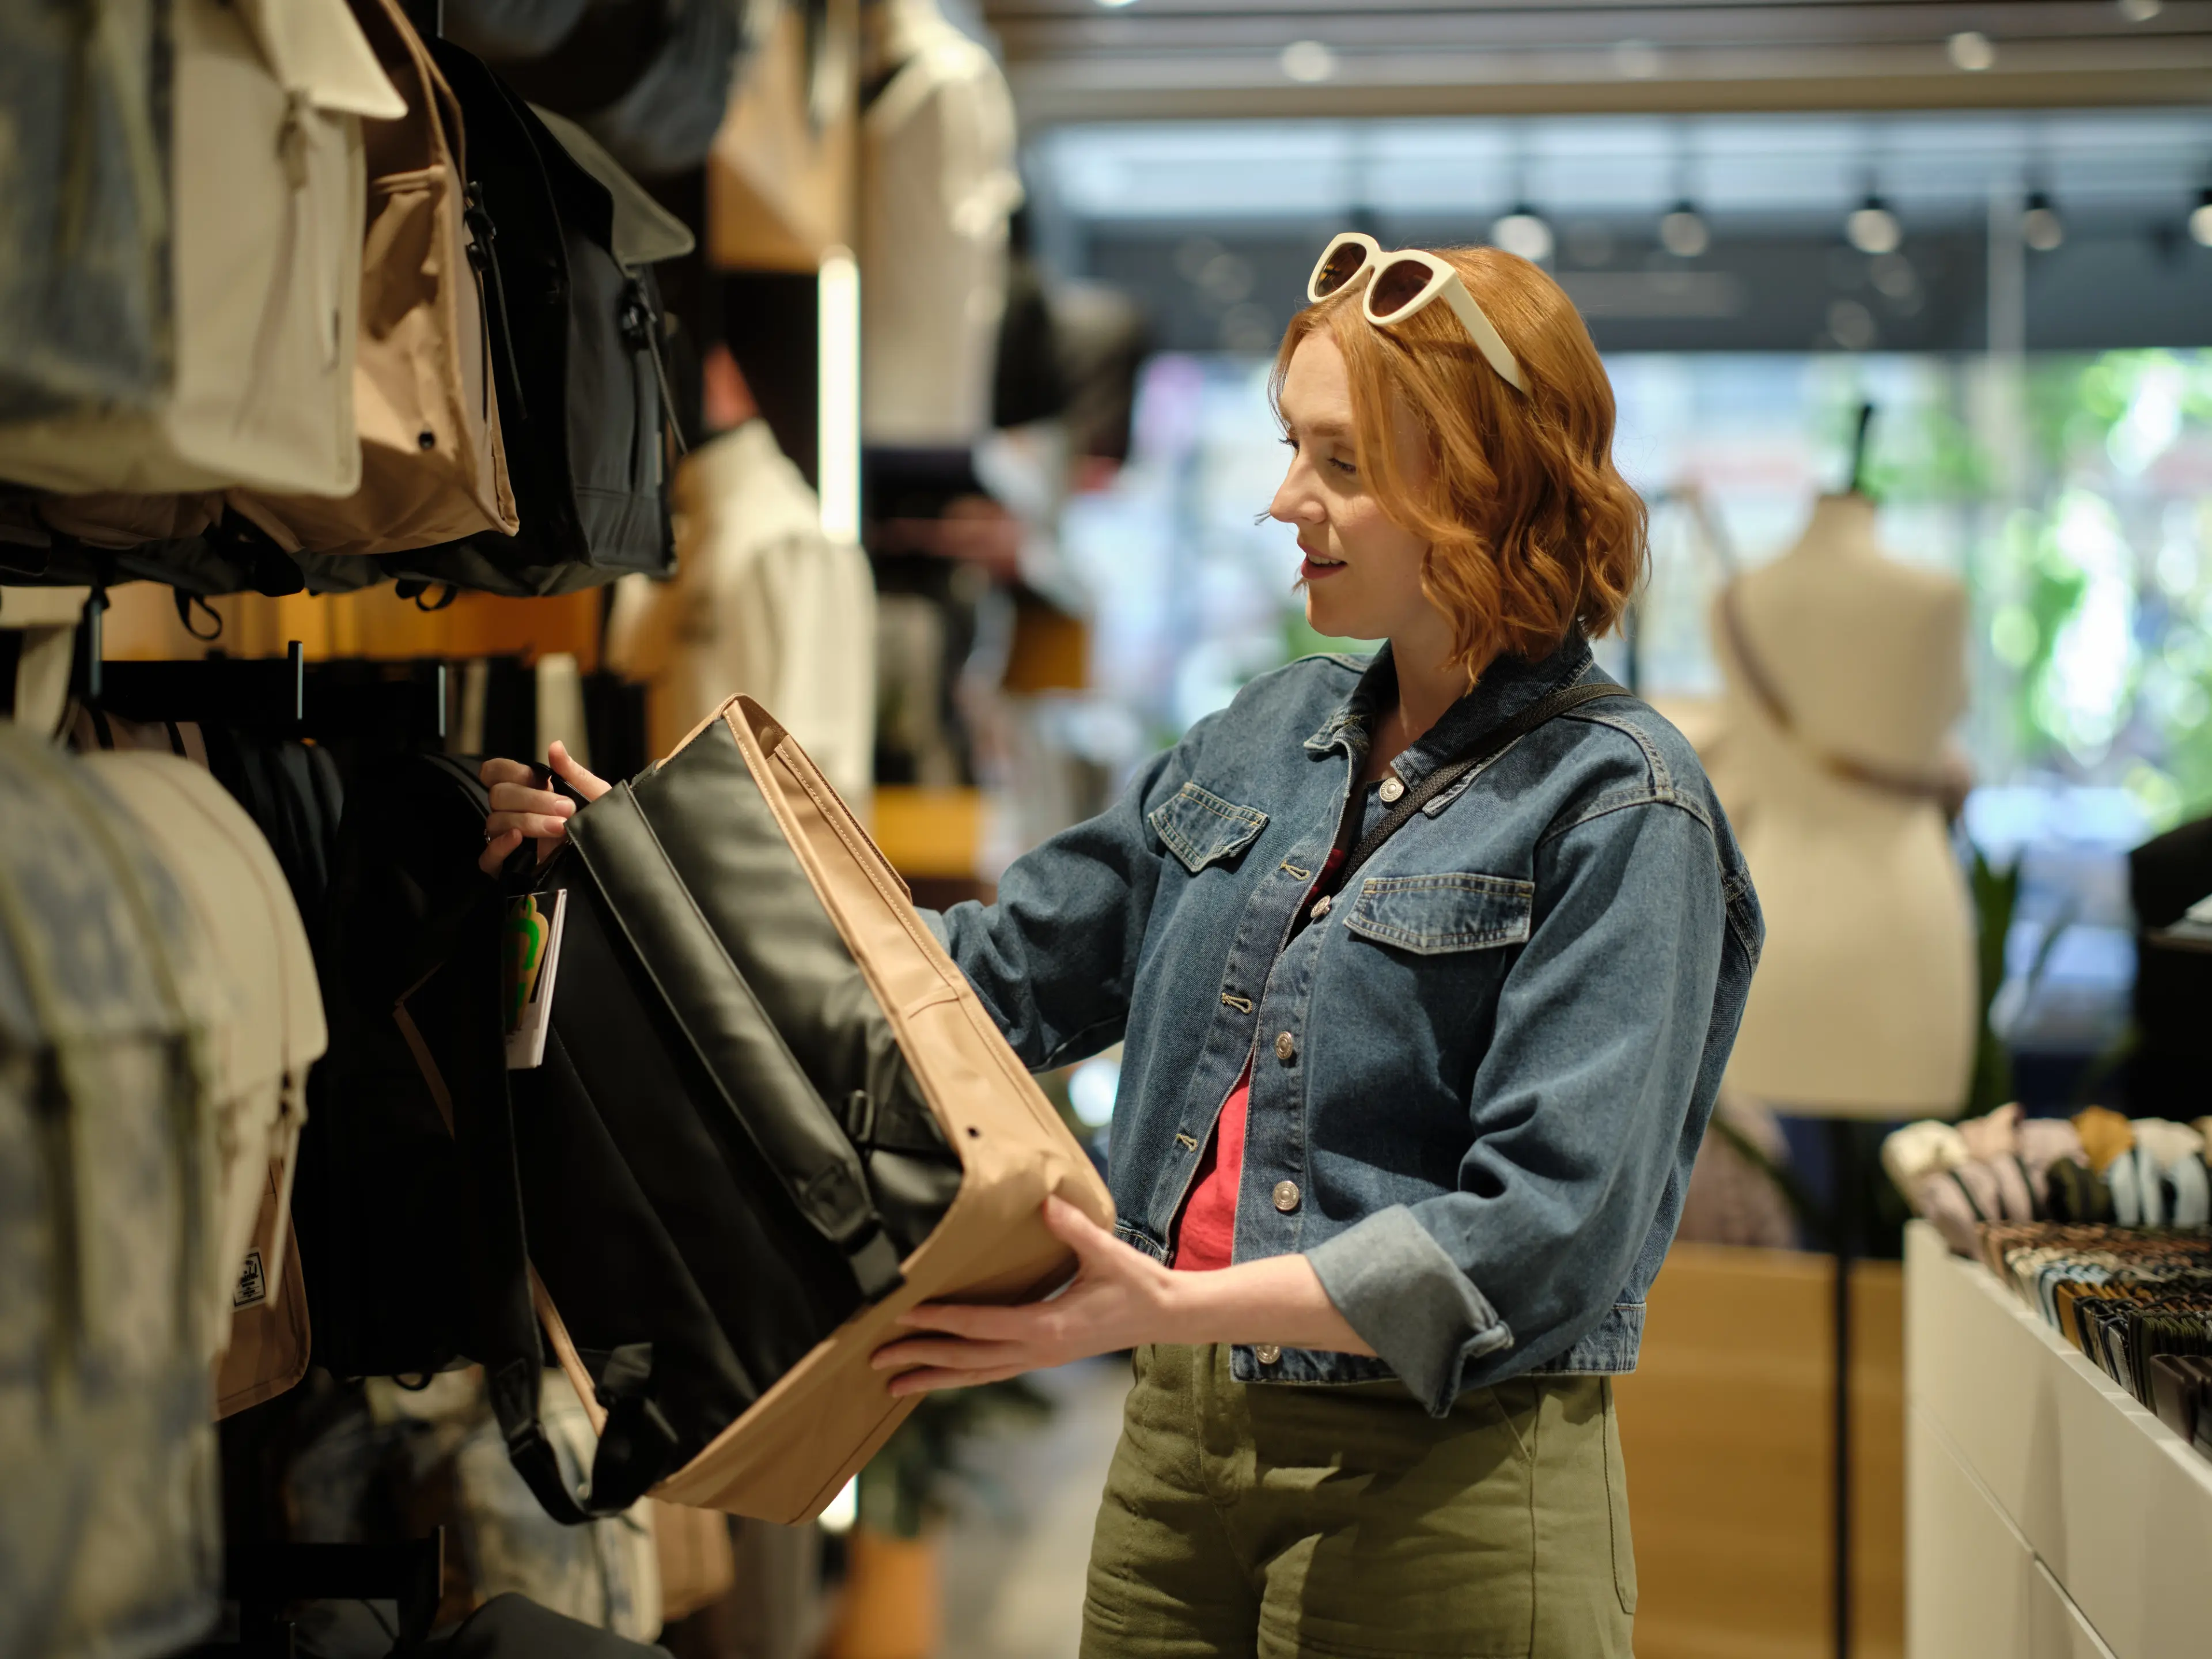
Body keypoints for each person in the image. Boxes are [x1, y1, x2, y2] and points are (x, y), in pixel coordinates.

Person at [479, 237, 1762, 1657]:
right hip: (1176, 1455)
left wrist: (1174, 1300)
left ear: (1479, 480)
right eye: (1292, 446)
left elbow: (1548, 1235)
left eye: (1340, 462)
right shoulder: (1267, 735)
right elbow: (990, 975)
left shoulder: (1622, 807)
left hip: (1441, 1484)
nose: (1287, 500)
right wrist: (656, 890)